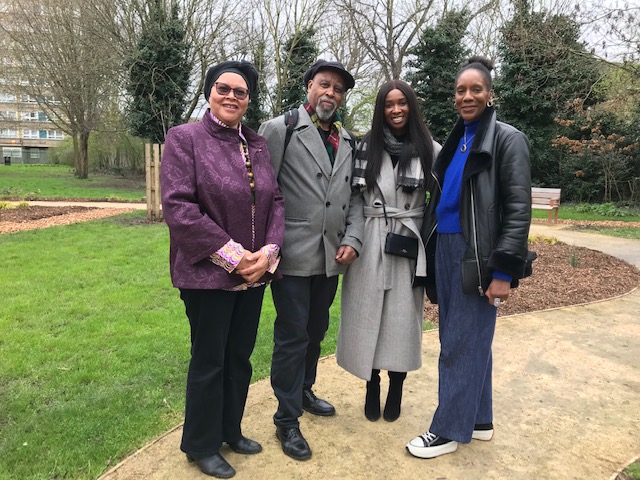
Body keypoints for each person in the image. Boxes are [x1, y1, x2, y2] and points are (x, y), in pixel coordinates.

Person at [160, 60, 284, 478]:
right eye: (223, 88)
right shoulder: (184, 139)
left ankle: (230, 430)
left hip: (254, 276)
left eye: (241, 91)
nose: (231, 96)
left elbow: (276, 202)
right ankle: (201, 444)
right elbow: (179, 207)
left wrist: (268, 252)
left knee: (239, 358)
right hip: (208, 276)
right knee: (210, 360)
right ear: (209, 92)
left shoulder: (258, 144)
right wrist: (234, 256)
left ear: (249, 99)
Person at [406, 56, 532, 459]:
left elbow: (517, 211)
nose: (467, 96)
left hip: (476, 253)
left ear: (490, 93)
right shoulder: (459, 138)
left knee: (459, 342)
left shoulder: (508, 140)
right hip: (446, 246)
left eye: (476, 89)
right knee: (468, 337)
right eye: (461, 90)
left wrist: (503, 270)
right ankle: (479, 419)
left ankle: (446, 430)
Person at [258, 59, 362, 461]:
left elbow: (355, 197)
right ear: (309, 87)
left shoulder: (348, 140)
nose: (330, 94)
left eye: (338, 89)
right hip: (291, 254)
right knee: (291, 335)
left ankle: (303, 391)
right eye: (324, 85)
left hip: (330, 257)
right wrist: (267, 246)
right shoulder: (281, 128)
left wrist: (353, 238)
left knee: (316, 331)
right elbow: (262, 193)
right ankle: (286, 420)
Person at [336, 80, 439, 422]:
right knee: (367, 316)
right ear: (381, 110)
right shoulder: (365, 148)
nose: (396, 110)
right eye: (388, 104)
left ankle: (397, 385)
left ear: (411, 106)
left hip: (408, 241)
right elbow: (352, 198)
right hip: (369, 239)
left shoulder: (430, 149)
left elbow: (440, 202)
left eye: (402, 103)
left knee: (402, 319)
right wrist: (352, 238)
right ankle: (372, 384)